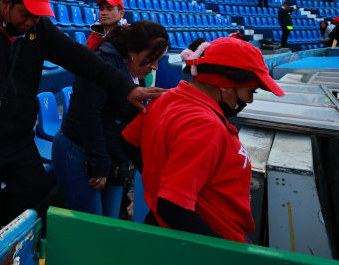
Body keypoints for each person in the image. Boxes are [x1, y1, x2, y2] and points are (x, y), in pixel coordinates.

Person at [0, 0, 165, 254]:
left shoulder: (39, 29)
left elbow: (83, 60)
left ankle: (8, 254)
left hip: (18, 139)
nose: (31, 21)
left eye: (38, 15)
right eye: (26, 14)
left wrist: (127, 88)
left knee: (35, 197)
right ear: (7, 2)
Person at [121, 36, 285, 242]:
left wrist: (158, 177)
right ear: (225, 84)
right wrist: (228, 251)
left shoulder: (169, 98)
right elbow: (172, 207)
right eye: (250, 91)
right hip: (209, 246)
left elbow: (128, 141)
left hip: (162, 227)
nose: (250, 100)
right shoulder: (204, 125)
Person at [55, 22, 169, 218]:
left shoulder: (135, 70)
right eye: (151, 59)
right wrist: (100, 164)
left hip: (110, 158)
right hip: (81, 152)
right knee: (91, 229)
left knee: (110, 222)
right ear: (132, 51)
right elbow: (88, 114)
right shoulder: (100, 64)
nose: (155, 66)